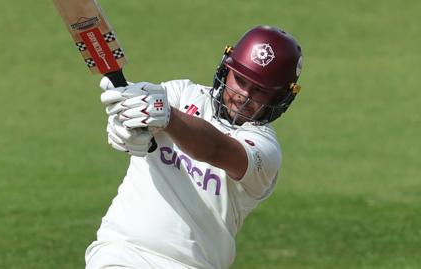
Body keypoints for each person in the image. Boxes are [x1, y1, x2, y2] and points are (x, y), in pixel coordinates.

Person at [85, 25, 303, 269]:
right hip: (122, 252)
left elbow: (216, 149)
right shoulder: (181, 93)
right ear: (226, 69)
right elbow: (142, 116)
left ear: (280, 98)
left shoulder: (265, 149)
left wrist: (168, 116)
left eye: (260, 90)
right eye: (240, 80)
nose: (244, 95)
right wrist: (126, 126)